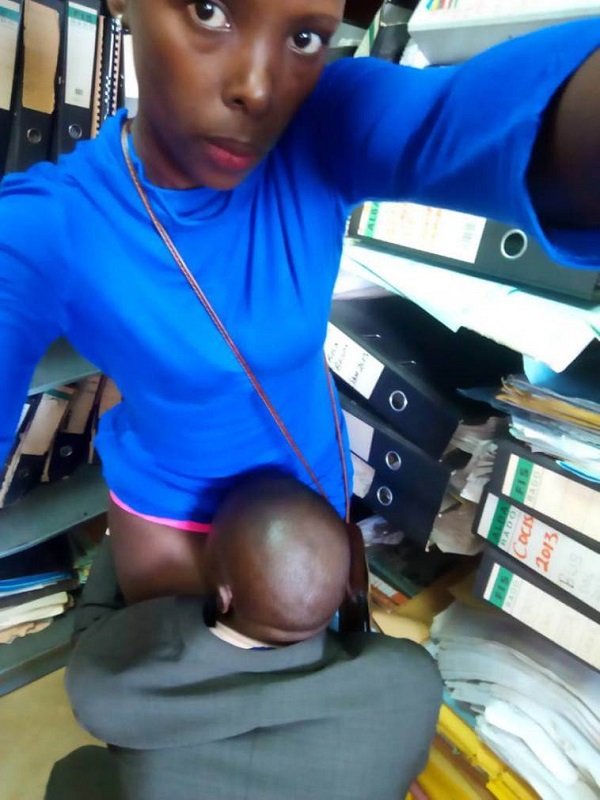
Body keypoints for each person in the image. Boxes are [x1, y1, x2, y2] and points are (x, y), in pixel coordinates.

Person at [2, 1, 600, 603]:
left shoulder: (320, 128)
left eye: (305, 37)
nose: (259, 89)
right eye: (209, 11)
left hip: (315, 498)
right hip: (183, 539)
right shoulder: (46, 226)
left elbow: (482, 117)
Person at [45, 471, 443, 799]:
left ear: (221, 594)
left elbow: (92, 637)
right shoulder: (410, 683)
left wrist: (121, 524)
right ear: (349, 582)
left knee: (73, 772)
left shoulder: (111, 689)